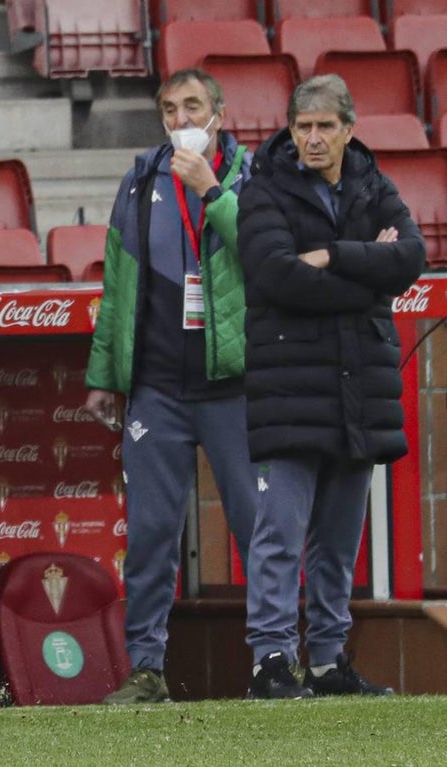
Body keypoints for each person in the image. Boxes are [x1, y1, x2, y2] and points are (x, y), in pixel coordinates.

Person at [237, 74, 424, 699]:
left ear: (349, 128)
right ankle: (270, 661)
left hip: (357, 388)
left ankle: (324, 661)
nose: (313, 138)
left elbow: (412, 259)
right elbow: (276, 278)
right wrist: (369, 269)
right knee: (280, 535)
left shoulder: (375, 183)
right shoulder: (263, 188)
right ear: (290, 131)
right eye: (302, 127)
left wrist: (333, 256)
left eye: (324, 126)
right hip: (290, 385)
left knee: (339, 543)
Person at [83, 68, 258, 704]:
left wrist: (212, 190)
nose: (180, 116)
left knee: (257, 525)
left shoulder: (249, 175)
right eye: (169, 107)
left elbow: (265, 255)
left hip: (235, 385)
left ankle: (274, 662)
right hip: (157, 385)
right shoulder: (139, 181)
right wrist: (105, 375)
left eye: (193, 105)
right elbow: (117, 286)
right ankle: (148, 670)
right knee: (153, 531)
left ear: (219, 111)